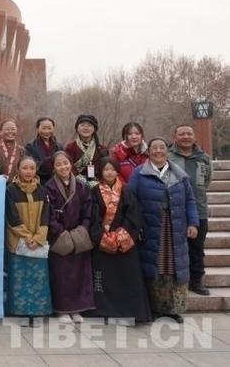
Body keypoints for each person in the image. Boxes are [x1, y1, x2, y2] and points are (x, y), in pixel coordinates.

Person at [129, 138, 199, 323]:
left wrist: (193, 223)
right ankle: (154, 309)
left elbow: (190, 201)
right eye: (154, 148)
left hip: (175, 226)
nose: (158, 151)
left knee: (174, 268)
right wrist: (136, 226)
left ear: (167, 151)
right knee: (156, 268)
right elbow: (131, 202)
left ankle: (173, 309)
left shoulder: (179, 174)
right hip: (151, 227)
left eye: (161, 147)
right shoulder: (139, 173)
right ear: (148, 151)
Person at [88, 157, 152, 324]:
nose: (109, 172)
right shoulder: (94, 191)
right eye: (106, 169)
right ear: (100, 172)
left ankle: (129, 311)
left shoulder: (126, 190)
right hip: (102, 242)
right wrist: (102, 236)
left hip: (124, 242)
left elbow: (133, 215)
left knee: (127, 277)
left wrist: (120, 236)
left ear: (117, 171)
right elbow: (91, 216)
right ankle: (104, 310)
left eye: (112, 169)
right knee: (102, 278)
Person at [45, 151, 95, 323]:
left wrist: (83, 228)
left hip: (79, 234)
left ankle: (77, 309)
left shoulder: (82, 186)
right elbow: (48, 215)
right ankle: (62, 309)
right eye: (58, 164)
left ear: (71, 164)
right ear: (53, 167)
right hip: (60, 237)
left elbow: (88, 210)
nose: (63, 167)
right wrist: (59, 232)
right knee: (61, 275)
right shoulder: (49, 187)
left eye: (65, 163)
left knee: (80, 273)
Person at [5, 156, 52, 327]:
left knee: (39, 278)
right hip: (18, 241)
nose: (28, 171)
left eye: (32, 168)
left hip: (38, 241)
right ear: (18, 169)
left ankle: (38, 312)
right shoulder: (10, 190)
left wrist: (39, 237)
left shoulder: (42, 190)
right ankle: (22, 312)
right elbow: (12, 217)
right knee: (20, 277)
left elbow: (46, 215)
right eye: (25, 168)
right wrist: (27, 237)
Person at [169, 125, 213, 296]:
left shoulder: (204, 158)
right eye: (182, 134)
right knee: (175, 247)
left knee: (197, 248)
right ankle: (177, 281)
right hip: (175, 209)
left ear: (194, 137)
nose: (185, 137)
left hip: (199, 209)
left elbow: (207, 181)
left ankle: (196, 280)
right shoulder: (168, 157)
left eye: (189, 134)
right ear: (175, 136)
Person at [64, 114, 108, 188]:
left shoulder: (102, 149)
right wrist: (84, 182)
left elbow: (105, 169)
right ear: (77, 128)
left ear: (94, 129)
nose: (86, 128)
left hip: (98, 187)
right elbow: (68, 167)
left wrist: (97, 184)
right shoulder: (70, 148)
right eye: (82, 125)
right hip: (75, 186)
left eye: (89, 125)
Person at [25, 117, 63, 184]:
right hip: (38, 182)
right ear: (37, 129)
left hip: (57, 181)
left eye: (49, 128)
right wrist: (46, 162)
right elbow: (30, 165)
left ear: (53, 128)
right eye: (44, 128)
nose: (47, 131)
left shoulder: (59, 146)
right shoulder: (30, 146)